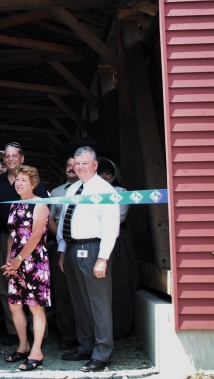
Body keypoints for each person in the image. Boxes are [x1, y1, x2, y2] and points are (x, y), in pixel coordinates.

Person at [57, 147, 120, 373]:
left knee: (99, 302)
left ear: (95, 165)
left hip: (94, 248)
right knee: (80, 302)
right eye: (77, 163)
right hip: (73, 249)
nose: (81, 167)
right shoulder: (73, 189)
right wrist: (63, 251)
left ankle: (102, 353)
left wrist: (103, 258)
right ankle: (86, 346)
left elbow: (111, 226)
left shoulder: (105, 189)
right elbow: (65, 220)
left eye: (85, 163)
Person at [0, 142, 47, 345]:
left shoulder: (36, 186)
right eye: (7, 156)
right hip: (9, 237)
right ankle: (15, 333)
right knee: (9, 289)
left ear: (22, 158)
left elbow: (38, 227)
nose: (11, 159)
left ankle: (38, 336)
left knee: (34, 294)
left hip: (33, 244)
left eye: (15, 155)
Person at [1, 165, 50, 371]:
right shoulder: (15, 205)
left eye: (24, 180)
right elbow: (12, 235)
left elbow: (36, 235)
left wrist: (19, 259)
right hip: (16, 261)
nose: (19, 183)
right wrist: (9, 260)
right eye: (17, 179)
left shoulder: (40, 204)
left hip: (34, 261)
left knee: (35, 306)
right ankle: (23, 345)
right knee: (14, 305)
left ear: (33, 183)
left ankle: (37, 352)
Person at [97, 157, 139, 339]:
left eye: (108, 173)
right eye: (101, 173)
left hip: (119, 239)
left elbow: (119, 217)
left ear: (114, 175)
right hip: (97, 240)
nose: (105, 176)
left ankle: (121, 328)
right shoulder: (92, 192)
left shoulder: (120, 192)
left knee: (120, 283)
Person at [46, 156, 80, 349]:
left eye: (75, 165)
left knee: (82, 290)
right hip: (60, 244)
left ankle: (85, 332)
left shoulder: (92, 191)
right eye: (68, 166)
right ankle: (67, 333)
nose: (71, 169)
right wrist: (61, 236)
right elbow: (50, 218)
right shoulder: (58, 192)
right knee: (62, 290)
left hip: (83, 244)